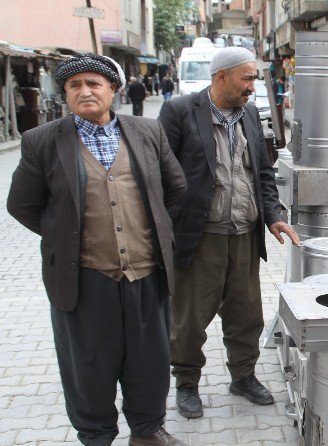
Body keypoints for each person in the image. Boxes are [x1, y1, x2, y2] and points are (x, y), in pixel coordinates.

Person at [6, 54, 187, 446]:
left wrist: (152, 232)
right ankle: (96, 435)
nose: (85, 91)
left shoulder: (148, 131)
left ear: (113, 89)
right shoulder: (43, 140)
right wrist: (65, 238)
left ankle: (147, 430)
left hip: (146, 272)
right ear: (66, 94)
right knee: (88, 365)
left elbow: (175, 189)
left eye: (94, 84)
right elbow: (21, 205)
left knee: (149, 360)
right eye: (75, 86)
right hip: (84, 278)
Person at [157, 47, 300, 419]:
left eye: (254, 78)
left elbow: (263, 174)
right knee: (190, 318)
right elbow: (160, 174)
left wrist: (274, 215)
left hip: (243, 235)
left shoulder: (250, 114)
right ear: (221, 77)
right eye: (248, 78)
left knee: (246, 314)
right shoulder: (180, 111)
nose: (253, 86)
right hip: (200, 236)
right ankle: (187, 383)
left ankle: (243, 376)